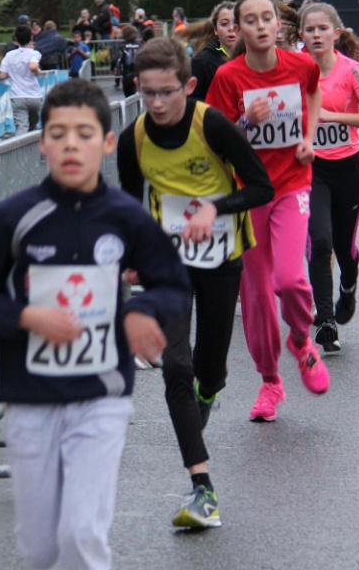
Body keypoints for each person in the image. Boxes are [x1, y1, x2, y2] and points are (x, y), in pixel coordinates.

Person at [0, 79, 192, 570]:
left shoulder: (127, 218)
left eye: (84, 134)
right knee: (41, 547)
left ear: (105, 143)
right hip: (29, 398)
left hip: (100, 396)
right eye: (58, 134)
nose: (70, 145)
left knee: (82, 535)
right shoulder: (14, 217)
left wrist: (143, 311)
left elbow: (173, 283)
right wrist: (25, 316)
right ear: (41, 145)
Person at [117, 37, 274, 526]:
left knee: (210, 370)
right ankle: (202, 490)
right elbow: (129, 207)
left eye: (167, 92)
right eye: (148, 93)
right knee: (175, 367)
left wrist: (213, 208)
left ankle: (209, 393)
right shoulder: (133, 138)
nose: (157, 103)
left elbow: (261, 187)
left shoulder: (214, 125)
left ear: (188, 86)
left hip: (221, 257)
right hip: (169, 262)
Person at [206, 0, 330, 422]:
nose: (260, 26)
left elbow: (313, 94)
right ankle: (270, 382)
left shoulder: (301, 65)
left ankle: (301, 339)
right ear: (238, 29)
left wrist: (308, 139)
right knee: (257, 296)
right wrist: (245, 122)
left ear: (279, 24)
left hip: (293, 184)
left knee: (291, 279)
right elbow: (213, 136)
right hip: (249, 192)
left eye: (267, 18)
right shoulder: (228, 76)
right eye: (251, 20)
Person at [297, 3, 359, 353]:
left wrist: (332, 116)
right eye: (309, 30)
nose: (316, 35)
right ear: (301, 35)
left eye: (323, 29)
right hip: (311, 169)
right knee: (320, 241)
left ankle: (348, 287)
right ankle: (326, 320)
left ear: (336, 33)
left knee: (345, 248)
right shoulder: (293, 69)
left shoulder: (350, 70)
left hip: (348, 169)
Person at [178, 1, 237, 101]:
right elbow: (191, 100)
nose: (231, 28)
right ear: (215, 29)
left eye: (236, 23)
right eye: (224, 24)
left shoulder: (255, 57)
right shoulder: (201, 61)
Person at [0, 24, 43, 134]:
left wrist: (13, 72)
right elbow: (33, 67)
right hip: (34, 95)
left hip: (17, 96)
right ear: (31, 38)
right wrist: (38, 71)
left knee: (21, 126)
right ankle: (33, 143)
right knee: (33, 125)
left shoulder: (9, 55)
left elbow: (2, 76)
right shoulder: (34, 53)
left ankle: (21, 144)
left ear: (16, 39)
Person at [115, 24, 140, 98]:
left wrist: (114, 68)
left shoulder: (122, 45)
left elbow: (116, 58)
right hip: (138, 73)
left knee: (128, 97)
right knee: (137, 95)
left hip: (127, 74)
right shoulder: (140, 45)